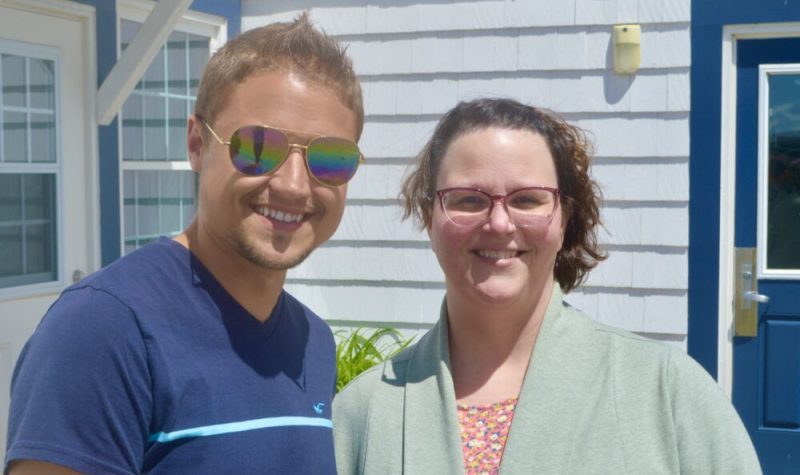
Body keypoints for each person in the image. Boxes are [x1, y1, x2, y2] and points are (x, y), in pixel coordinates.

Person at [6, 13, 363, 475]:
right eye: (258, 148)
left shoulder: (312, 341)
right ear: (197, 144)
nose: (295, 186)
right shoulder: (103, 330)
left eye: (330, 158)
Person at [333, 98, 761, 474]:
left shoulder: (667, 392)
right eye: (468, 199)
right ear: (430, 219)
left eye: (526, 199)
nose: (499, 223)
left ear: (564, 219)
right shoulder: (364, 413)